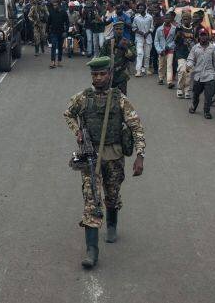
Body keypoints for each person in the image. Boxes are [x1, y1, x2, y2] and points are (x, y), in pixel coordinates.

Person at [63, 56, 145, 270]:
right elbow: (68, 114)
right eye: (94, 75)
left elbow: (136, 126)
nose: (98, 78)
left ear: (109, 75)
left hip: (115, 156)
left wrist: (140, 155)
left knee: (112, 195)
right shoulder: (83, 97)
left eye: (102, 74)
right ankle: (91, 251)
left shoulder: (119, 99)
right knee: (92, 201)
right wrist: (78, 131)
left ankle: (112, 224)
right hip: (91, 158)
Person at [186, 29, 215, 119]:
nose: (203, 37)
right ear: (199, 37)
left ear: (208, 36)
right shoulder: (195, 48)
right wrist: (188, 66)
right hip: (198, 75)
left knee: (208, 96)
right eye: (201, 35)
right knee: (196, 94)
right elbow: (191, 59)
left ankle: (207, 111)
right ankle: (194, 106)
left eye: (205, 35)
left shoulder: (213, 48)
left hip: (209, 75)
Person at [98, 21, 136, 95]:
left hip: (121, 75)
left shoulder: (128, 43)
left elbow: (133, 58)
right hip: (108, 75)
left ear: (123, 30)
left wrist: (125, 49)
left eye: (121, 29)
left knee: (122, 99)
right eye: (117, 29)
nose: (119, 31)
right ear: (113, 30)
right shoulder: (108, 43)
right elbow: (101, 58)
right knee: (107, 97)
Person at [174, 11, 195, 99]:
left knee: (189, 73)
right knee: (182, 70)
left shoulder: (193, 29)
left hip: (191, 53)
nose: (185, 20)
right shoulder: (179, 28)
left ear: (190, 20)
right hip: (181, 52)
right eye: (184, 19)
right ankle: (179, 88)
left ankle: (187, 90)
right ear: (182, 20)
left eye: (187, 19)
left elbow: (196, 40)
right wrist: (178, 36)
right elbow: (175, 40)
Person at [153, 11, 177, 87]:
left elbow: (175, 40)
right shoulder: (159, 29)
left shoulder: (174, 28)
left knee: (169, 65)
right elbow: (156, 41)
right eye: (166, 18)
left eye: (168, 18)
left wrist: (169, 46)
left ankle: (169, 81)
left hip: (170, 50)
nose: (167, 19)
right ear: (163, 19)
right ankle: (161, 78)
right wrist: (159, 50)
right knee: (161, 65)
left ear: (171, 19)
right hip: (161, 51)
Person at [132, 3, 153, 77]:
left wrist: (147, 32)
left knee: (147, 55)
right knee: (140, 54)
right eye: (139, 8)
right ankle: (138, 70)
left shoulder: (150, 17)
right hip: (139, 38)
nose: (140, 9)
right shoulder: (136, 18)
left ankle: (146, 69)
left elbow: (152, 27)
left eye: (142, 8)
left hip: (148, 38)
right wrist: (140, 32)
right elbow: (134, 28)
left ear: (145, 8)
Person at [47, 0, 69, 68]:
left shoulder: (64, 12)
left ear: (59, 5)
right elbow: (48, 23)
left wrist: (66, 31)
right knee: (53, 46)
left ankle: (59, 61)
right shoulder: (51, 12)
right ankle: (52, 62)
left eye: (56, 5)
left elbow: (67, 23)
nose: (54, 6)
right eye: (53, 5)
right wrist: (47, 31)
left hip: (61, 33)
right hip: (53, 32)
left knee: (60, 47)